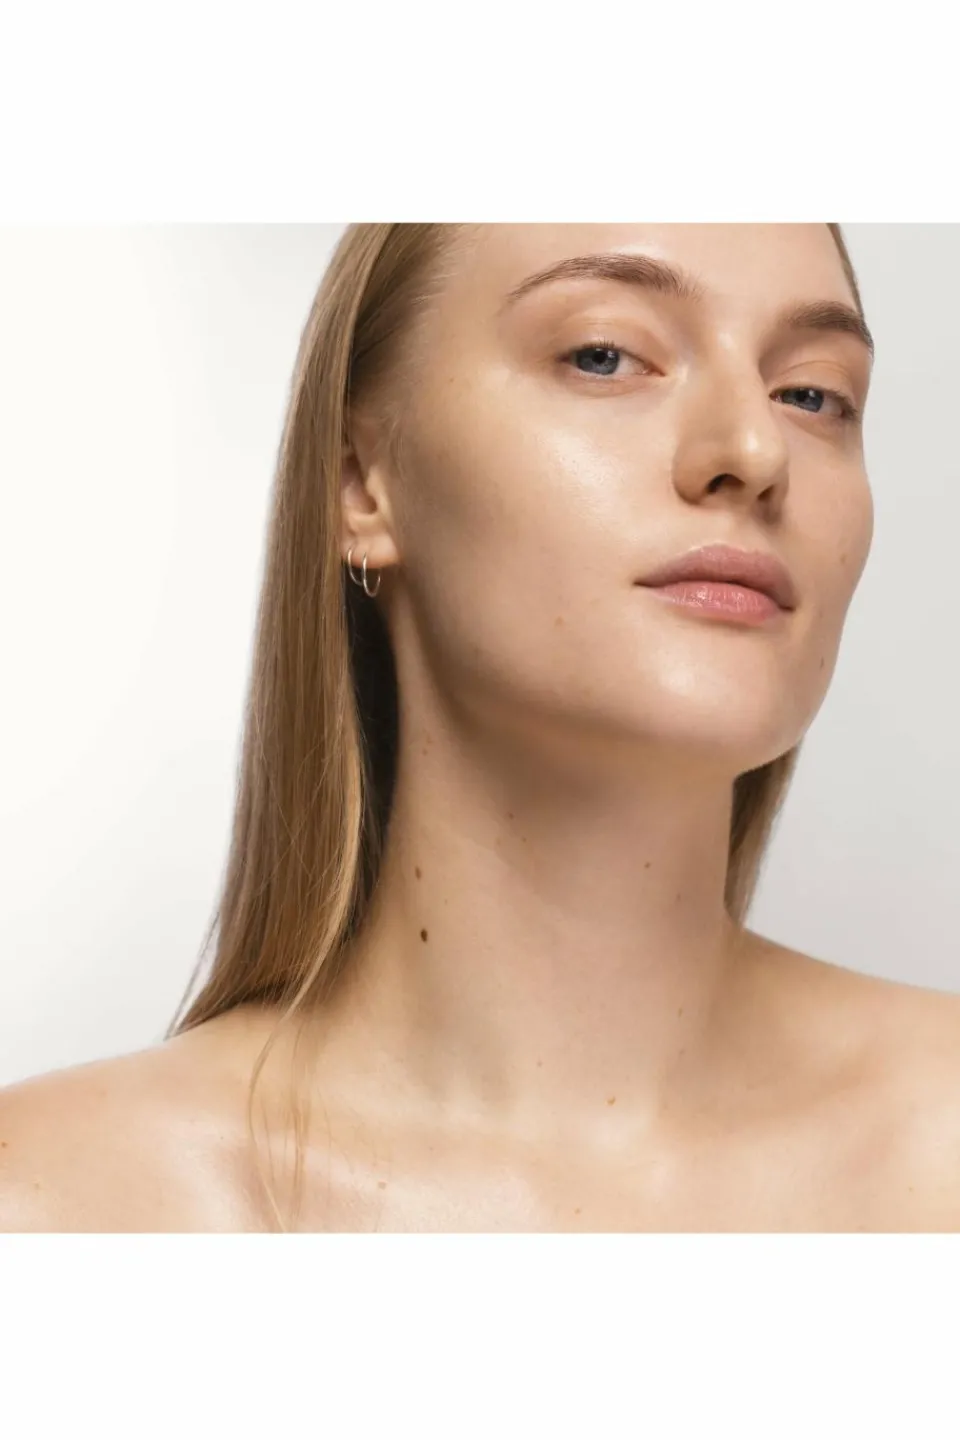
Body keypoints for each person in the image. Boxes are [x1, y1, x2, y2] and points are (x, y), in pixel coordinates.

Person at [2, 223, 959, 1233]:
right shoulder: (51, 1208)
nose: (756, 452)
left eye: (811, 394)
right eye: (604, 355)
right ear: (361, 482)